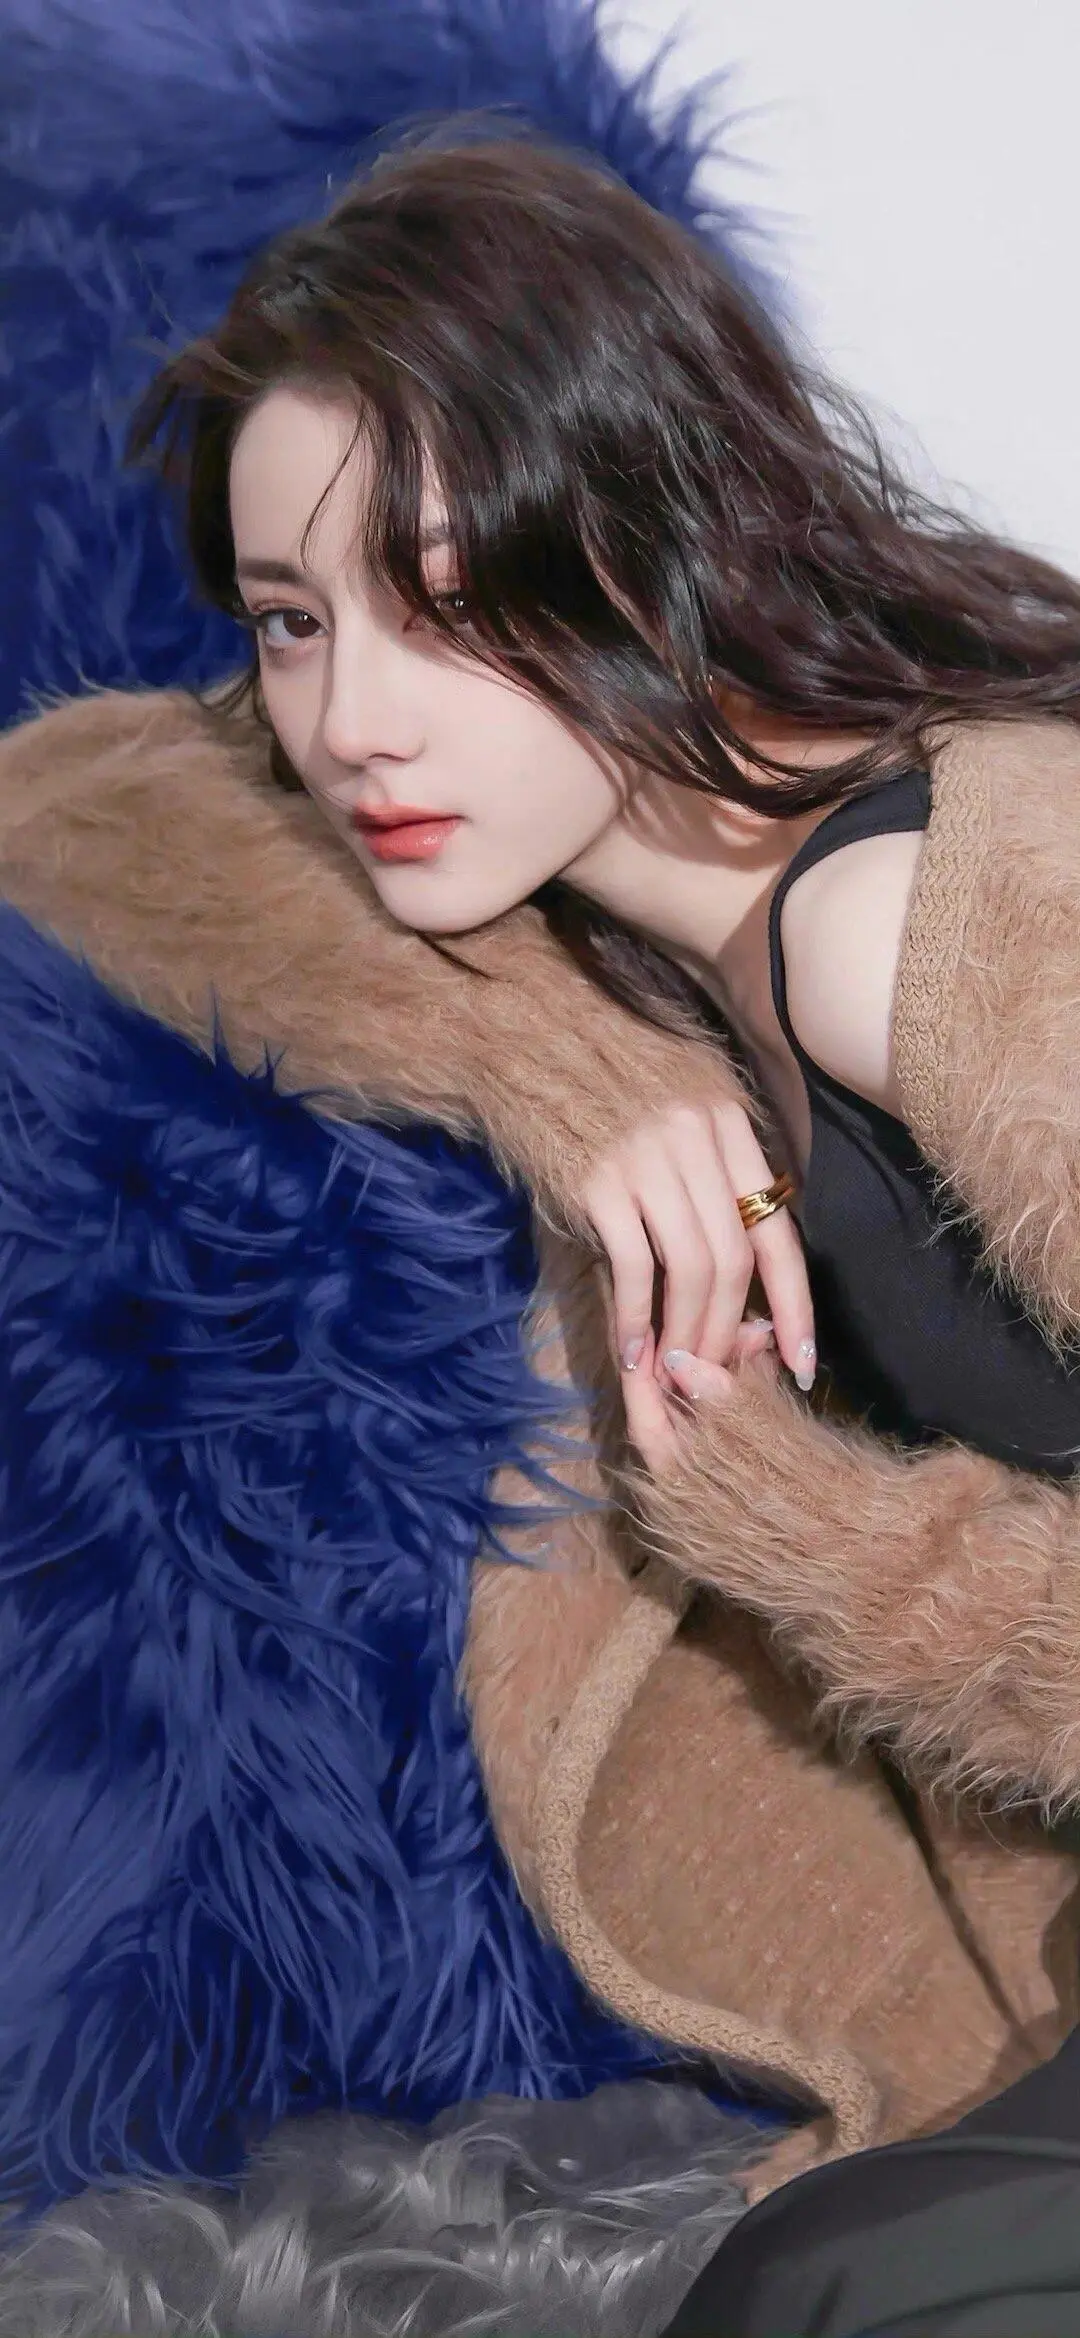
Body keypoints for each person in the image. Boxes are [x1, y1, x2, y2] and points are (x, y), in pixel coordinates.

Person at [62, 115, 1080, 2327]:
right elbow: (71, 795)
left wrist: (815, 1537)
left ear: (650, 542)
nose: (348, 722)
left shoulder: (906, 928)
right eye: (292, 619)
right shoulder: (667, 929)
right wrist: (571, 1074)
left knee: (837, 2291)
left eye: (439, 603)